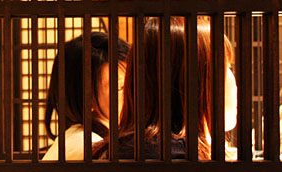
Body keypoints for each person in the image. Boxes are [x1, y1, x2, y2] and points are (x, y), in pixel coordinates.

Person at [93, 17, 238, 160]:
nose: (235, 82)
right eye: (227, 67)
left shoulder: (123, 149)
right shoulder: (174, 159)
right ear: (196, 82)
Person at [42, 32, 130, 161]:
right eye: (120, 87)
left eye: (132, 83)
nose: (132, 93)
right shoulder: (88, 146)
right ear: (87, 100)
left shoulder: (78, 138)